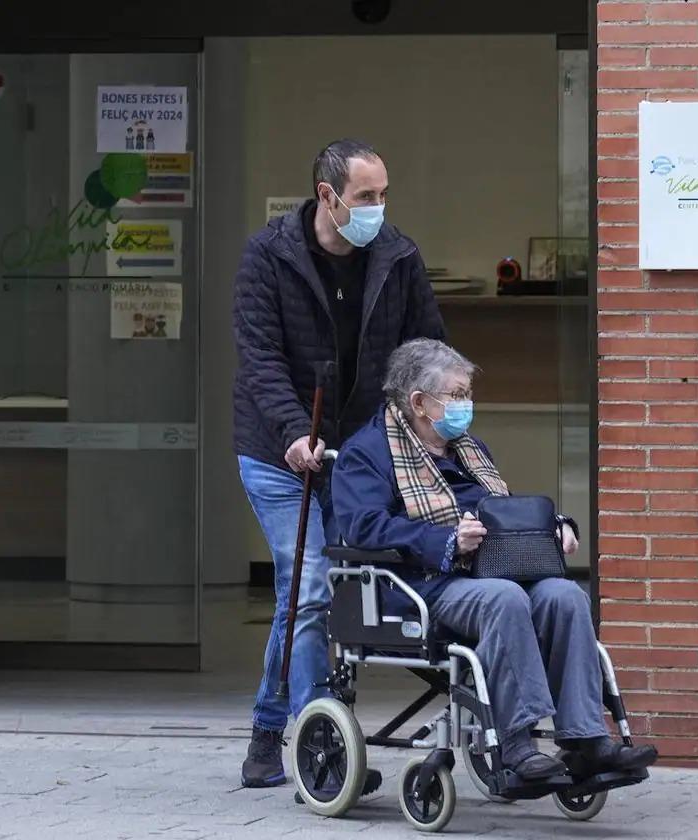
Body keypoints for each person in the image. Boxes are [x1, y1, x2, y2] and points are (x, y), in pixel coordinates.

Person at [330, 338, 658, 782]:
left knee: (565, 596)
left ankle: (585, 740)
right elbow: (364, 526)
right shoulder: (367, 453)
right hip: (421, 585)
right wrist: (446, 539)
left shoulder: (469, 448)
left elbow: (502, 510)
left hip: (492, 570)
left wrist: (555, 527)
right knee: (503, 599)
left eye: (468, 394)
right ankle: (515, 744)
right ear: (420, 403)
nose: (466, 404)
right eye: (457, 394)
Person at [233, 139, 445, 788]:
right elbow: (260, 359)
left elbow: (426, 348)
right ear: (328, 196)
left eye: (384, 194)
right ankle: (314, 745)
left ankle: (269, 735)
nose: (379, 208)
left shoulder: (398, 257)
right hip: (278, 453)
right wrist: (295, 434)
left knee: (312, 596)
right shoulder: (267, 257)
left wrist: (436, 420)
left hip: (357, 454)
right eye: (366, 196)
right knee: (310, 585)